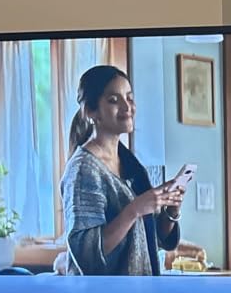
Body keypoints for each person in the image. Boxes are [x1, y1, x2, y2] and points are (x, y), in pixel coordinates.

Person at [60, 65, 184, 275]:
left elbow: (150, 240)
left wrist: (170, 210)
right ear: (91, 111)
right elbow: (86, 256)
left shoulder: (129, 164)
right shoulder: (83, 169)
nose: (127, 107)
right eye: (113, 100)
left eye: (129, 98)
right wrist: (134, 209)